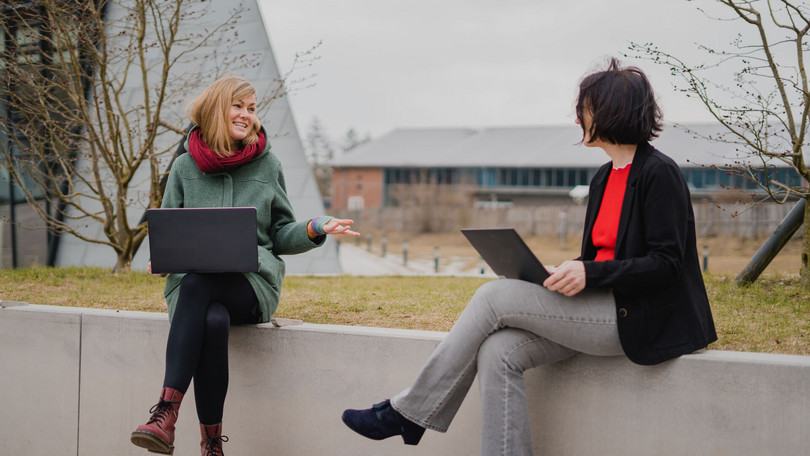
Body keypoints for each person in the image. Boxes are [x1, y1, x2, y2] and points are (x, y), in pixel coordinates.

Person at [341, 58, 717, 455]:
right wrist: (565, 272)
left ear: (610, 112)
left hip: (637, 317)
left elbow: (667, 264)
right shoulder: (604, 178)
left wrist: (588, 273)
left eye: (583, 110)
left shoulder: (660, 174)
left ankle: (408, 413)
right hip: (596, 308)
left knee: (493, 296)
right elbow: (606, 254)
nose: (577, 120)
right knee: (498, 351)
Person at [130, 75, 359, 456]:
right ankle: (211, 445)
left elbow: (281, 232)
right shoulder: (185, 167)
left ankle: (165, 414)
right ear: (218, 109)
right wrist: (162, 258)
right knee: (212, 319)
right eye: (238, 106)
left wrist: (317, 227)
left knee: (198, 285)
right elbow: (169, 226)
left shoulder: (268, 165)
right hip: (192, 288)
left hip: (250, 285)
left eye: (252, 109)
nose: (246, 115)